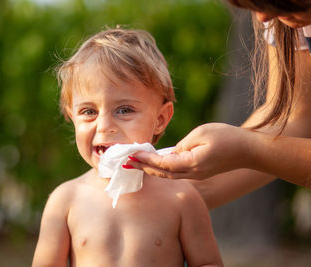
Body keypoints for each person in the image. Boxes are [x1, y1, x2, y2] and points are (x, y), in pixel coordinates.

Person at [31, 28, 223, 267]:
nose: (104, 126)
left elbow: (208, 263)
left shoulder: (181, 198)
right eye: (89, 112)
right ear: (72, 116)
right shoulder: (65, 201)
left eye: (124, 110)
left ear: (160, 119)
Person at [126, 0, 311, 209]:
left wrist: (247, 149)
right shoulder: (282, 18)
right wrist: (172, 197)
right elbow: (296, 116)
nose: (262, 18)